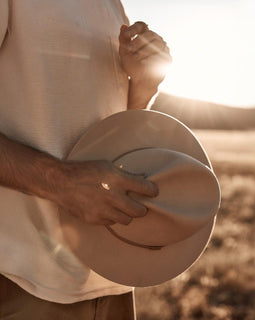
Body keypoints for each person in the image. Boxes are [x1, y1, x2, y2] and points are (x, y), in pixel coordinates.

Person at [0, 1, 171, 319]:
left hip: (113, 278)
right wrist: (60, 181)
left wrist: (143, 87)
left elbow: (110, 133)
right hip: (23, 280)